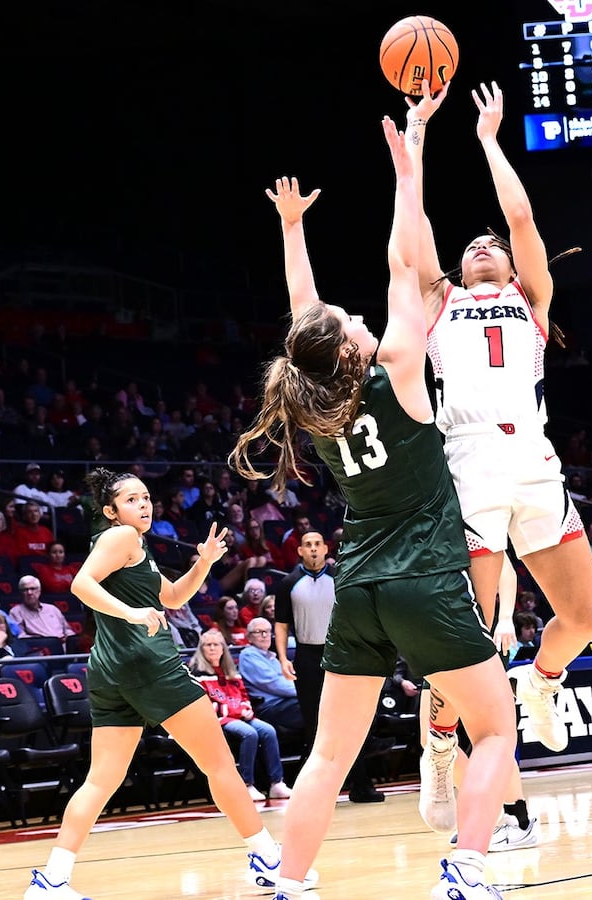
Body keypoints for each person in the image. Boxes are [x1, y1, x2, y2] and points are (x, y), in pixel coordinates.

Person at [232, 118, 515, 900]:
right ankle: (467, 868)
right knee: (495, 726)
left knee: (328, 753)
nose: (360, 319)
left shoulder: (315, 408)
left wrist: (292, 231)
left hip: (358, 588)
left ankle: (290, 880)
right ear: (355, 348)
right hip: (425, 577)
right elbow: (404, 265)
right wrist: (409, 165)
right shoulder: (396, 370)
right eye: (352, 324)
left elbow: (304, 320)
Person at [401, 81, 592, 766]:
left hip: (535, 460)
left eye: (494, 246)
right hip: (471, 460)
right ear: (459, 267)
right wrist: (418, 133)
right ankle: (438, 741)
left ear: (515, 266)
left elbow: (519, 215)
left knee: (583, 619)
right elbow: (416, 222)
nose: (485, 247)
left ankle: (542, 682)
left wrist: (488, 138)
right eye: (474, 245)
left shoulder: (529, 297)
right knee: (474, 629)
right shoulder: (439, 301)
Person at [24, 469, 310, 900]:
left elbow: (173, 597)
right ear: (110, 511)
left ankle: (52, 880)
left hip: (109, 670)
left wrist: (205, 562)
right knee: (219, 765)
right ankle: (268, 858)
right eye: (132, 500)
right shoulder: (118, 538)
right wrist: (133, 614)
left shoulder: (135, 547)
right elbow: (81, 584)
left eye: (146, 497)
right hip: (147, 666)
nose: (144, 505)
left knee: (101, 780)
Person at [270, 530, 383, 804]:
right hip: (307, 657)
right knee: (314, 725)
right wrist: (283, 657)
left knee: (351, 721)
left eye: (317, 544)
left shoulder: (339, 578)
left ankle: (361, 785)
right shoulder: (288, 583)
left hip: (341, 653)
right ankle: (318, 791)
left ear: (325, 548)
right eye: (307, 545)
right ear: (299, 551)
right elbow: (281, 624)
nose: (312, 549)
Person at [189, 628, 292, 801]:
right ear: (202, 649)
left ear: (223, 648)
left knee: (268, 731)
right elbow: (205, 705)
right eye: (208, 645)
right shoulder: (197, 675)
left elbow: (243, 695)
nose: (212, 648)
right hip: (219, 719)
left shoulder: (232, 672)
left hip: (240, 715)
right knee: (249, 733)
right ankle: (246, 784)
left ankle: (276, 783)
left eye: (216, 644)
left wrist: (247, 708)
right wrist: (238, 711)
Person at [237, 616, 303, 733]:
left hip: (285, 702)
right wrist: (306, 692)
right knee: (312, 705)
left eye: (267, 631)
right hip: (270, 707)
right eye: (258, 632)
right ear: (249, 637)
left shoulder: (271, 657)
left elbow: (288, 679)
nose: (264, 635)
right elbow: (276, 685)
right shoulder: (248, 655)